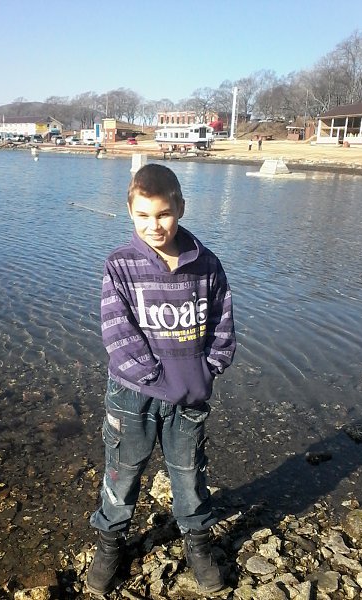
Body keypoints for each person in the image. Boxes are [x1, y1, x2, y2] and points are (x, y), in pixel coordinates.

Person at [86, 164, 236, 596]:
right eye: (143, 216)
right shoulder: (120, 265)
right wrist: (153, 375)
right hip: (132, 394)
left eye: (164, 214)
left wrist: (210, 367)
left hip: (189, 396)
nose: (154, 225)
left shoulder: (206, 265)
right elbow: (117, 331)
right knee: (122, 471)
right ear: (130, 212)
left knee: (189, 474)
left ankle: (198, 543)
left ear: (180, 208)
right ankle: (110, 543)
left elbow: (222, 323)